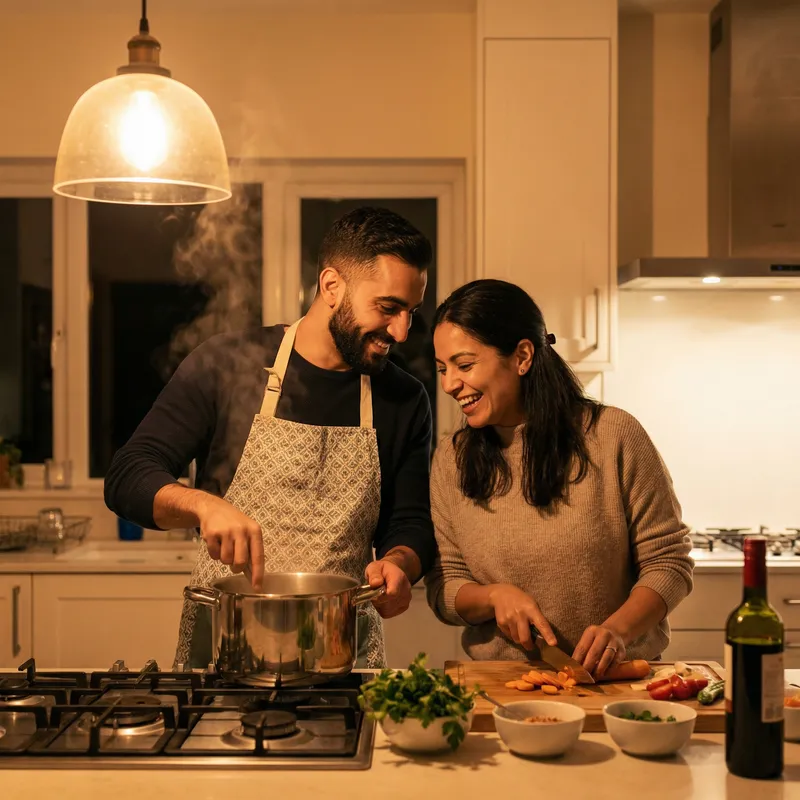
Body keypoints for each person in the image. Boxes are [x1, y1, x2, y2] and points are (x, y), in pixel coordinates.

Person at [104, 207, 437, 670]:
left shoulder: (403, 398)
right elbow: (127, 476)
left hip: (339, 653)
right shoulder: (227, 363)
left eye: (410, 312)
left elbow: (411, 522)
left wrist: (400, 564)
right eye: (387, 308)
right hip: (225, 645)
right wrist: (203, 504)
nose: (401, 331)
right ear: (331, 286)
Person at [424, 279, 694, 677]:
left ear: (522, 356)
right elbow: (444, 584)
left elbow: (669, 562)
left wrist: (617, 633)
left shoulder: (615, 436)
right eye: (443, 369)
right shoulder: (452, 459)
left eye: (464, 366)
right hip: (503, 687)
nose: (449, 384)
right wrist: (493, 597)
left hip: (617, 683)